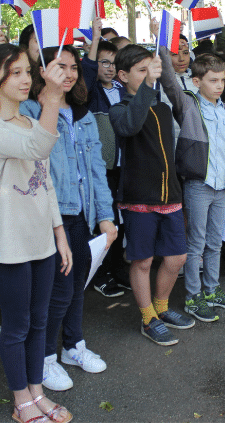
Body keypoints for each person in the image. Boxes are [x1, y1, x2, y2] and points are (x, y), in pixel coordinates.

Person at [0, 44, 73, 423]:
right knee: (17, 326)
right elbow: (38, 145)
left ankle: (36, 391)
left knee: (39, 321)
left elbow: (46, 184)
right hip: (8, 241)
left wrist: (59, 232)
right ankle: (20, 400)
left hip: (41, 238)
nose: (26, 79)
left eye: (29, 71)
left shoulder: (30, 120)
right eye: (16, 73)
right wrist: (53, 100)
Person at [21, 43, 117, 391]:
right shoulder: (29, 111)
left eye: (74, 66)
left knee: (77, 287)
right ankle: (44, 359)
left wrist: (106, 217)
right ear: (42, 70)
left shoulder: (83, 113)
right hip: (51, 217)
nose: (70, 73)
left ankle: (72, 347)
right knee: (58, 290)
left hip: (84, 215)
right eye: (60, 66)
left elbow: (96, 171)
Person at [155, 21, 225, 321]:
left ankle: (212, 289)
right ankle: (193, 296)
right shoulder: (188, 105)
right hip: (198, 185)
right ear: (196, 82)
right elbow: (168, 80)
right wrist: (161, 40)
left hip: (221, 188)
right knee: (195, 244)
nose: (219, 85)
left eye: (222, 80)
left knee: (215, 242)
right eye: (212, 80)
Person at [109, 44, 195, 346]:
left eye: (151, 70)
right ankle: (148, 318)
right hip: (139, 197)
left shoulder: (162, 105)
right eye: (141, 71)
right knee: (142, 260)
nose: (149, 76)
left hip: (169, 194)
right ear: (122, 75)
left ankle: (161, 307)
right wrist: (147, 87)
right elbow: (131, 124)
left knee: (176, 257)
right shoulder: (118, 109)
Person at [82, 19, 129, 298]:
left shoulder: (122, 91)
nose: (109, 68)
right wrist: (93, 47)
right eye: (103, 62)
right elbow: (85, 81)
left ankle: (115, 268)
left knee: (120, 221)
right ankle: (99, 273)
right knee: (103, 219)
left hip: (124, 167)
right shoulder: (89, 92)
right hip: (103, 168)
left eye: (113, 63)